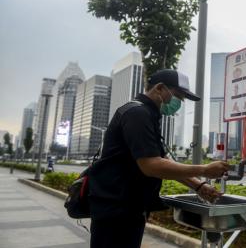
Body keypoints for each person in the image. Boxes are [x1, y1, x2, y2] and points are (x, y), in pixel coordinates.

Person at [88, 69, 229, 248]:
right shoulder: (137, 113)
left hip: (127, 207)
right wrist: (204, 169)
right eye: (178, 96)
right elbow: (151, 166)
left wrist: (199, 186)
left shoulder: (147, 114)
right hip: (116, 210)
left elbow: (162, 163)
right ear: (160, 89)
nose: (179, 103)